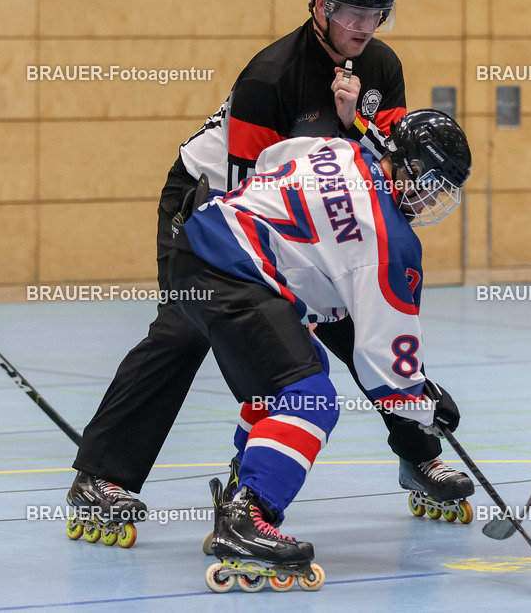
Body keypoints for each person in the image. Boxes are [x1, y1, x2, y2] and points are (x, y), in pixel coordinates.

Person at [67, 0, 471, 541]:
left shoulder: (380, 66)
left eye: (376, 13)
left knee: (368, 319)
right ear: (320, 5)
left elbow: (391, 151)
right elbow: (243, 192)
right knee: (188, 329)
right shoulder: (270, 77)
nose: (363, 26)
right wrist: (290, 306)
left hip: (317, 215)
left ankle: (417, 452)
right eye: (351, 11)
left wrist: (356, 118)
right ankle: (102, 476)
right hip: (211, 204)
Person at [171, 109, 471, 591]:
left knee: (281, 382)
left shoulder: (340, 150)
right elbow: (385, 370)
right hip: (233, 270)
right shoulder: (391, 242)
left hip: (196, 248)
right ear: (411, 166)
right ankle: (248, 517)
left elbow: (273, 159)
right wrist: (428, 402)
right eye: (436, 182)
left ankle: (239, 488)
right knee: (311, 398)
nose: (437, 198)